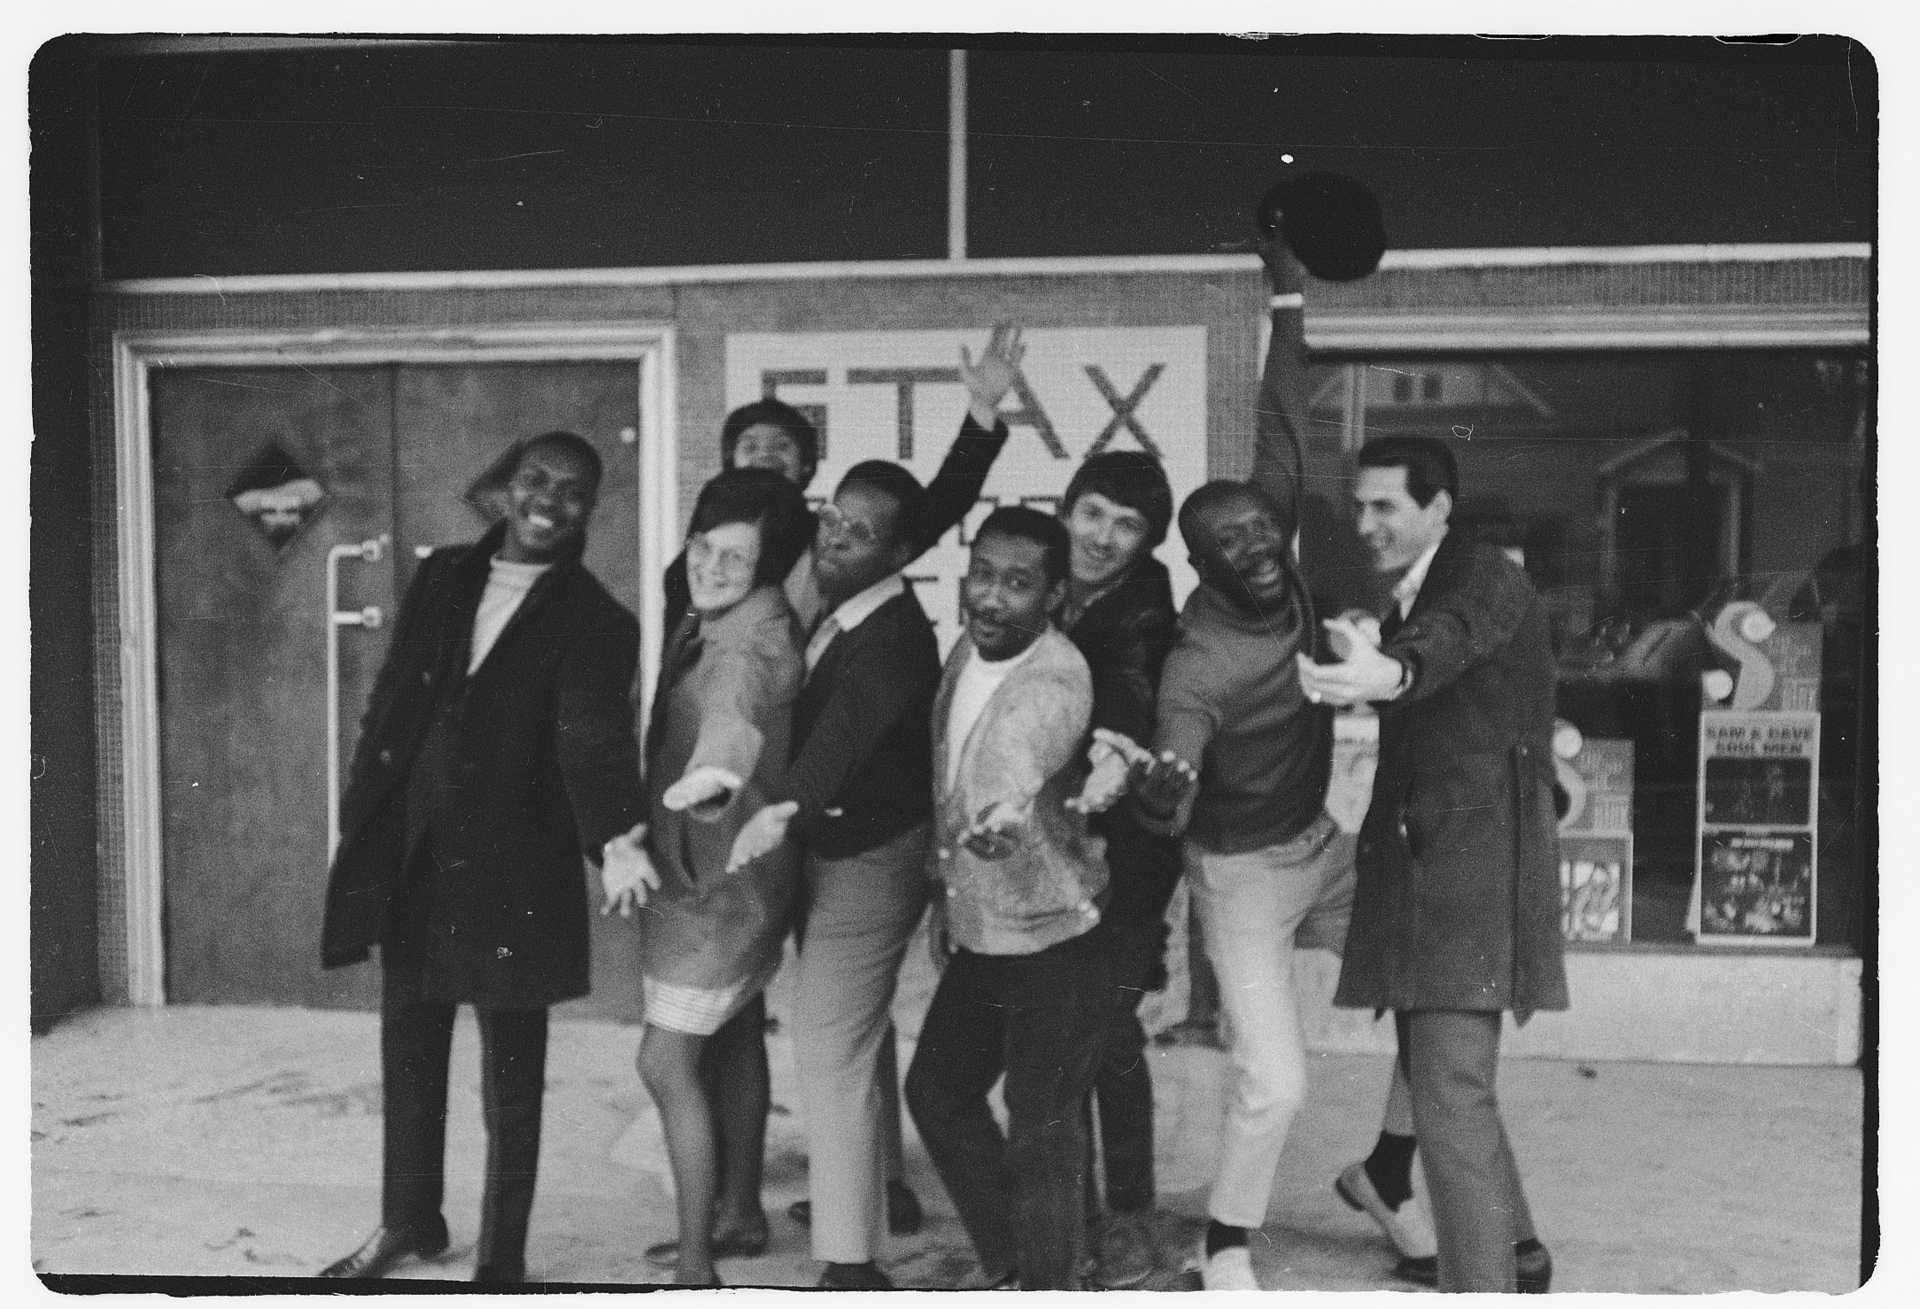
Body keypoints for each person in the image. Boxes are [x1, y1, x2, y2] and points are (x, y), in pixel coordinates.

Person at [722, 329, 1029, 1290]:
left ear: (900, 551)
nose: (836, 538)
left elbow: (844, 732)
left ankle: (850, 1266)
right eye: (832, 523)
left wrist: (780, 810)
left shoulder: (889, 628)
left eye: (860, 533)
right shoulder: (817, 580)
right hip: (833, 844)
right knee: (847, 1033)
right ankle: (872, 1203)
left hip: (862, 851)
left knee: (830, 1044)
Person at [317, 431, 644, 1283]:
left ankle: (499, 1266)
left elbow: (594, 738)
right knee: (410, 1053)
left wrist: (616, 836)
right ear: (504, 489)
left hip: (513, 880)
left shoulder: (598, 619)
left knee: (511, 1084)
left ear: (590, 509)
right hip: (416, 856)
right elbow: (391, 700)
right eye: (536, 479)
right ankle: (408, 1219)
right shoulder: (445, 575)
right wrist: (360, 815)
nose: (551, 499)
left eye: (575, 489)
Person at [1110, 477, 1424, 1291]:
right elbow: (1176, 746)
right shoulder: (1200, 665)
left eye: (1260, 527)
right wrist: (1164, 786)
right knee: (1277, 1082)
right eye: (1228, 540)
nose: (1253, 546)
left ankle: (1385, 1173)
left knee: (1448, 987)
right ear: (1200, 564)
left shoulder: (1298, 594)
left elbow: (1282, 431)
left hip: (1324, 847)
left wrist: (1291, 338)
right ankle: (1225, 1241)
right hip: (1243, 875)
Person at [1298, 434, 1568, 1293]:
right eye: (1360, 505)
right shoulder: (1420, 589)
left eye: (1387, 506)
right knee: (1446, 1083)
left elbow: (1448, 643)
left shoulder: (1479, 575)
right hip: (1433, 875)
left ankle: (1482, 1284)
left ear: (1439, 508)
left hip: (1469, 880)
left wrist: (1391, 666)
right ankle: (1518, 1256)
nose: (1366, 523)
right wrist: (1381, 651)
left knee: (1449, 1092)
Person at [602, 469, 816, 1287]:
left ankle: (697, 1268)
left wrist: (716, 775)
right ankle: (738, 1212)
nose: (712, 567)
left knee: (664, 1063)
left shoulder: (748, 641)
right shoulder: (724, 611)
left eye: (737, 557)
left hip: (721, 892)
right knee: (731, 1033)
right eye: (703, 546)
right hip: (725, 877)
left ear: (768, 568)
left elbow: (732, 716)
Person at [902, 506, 1113, 1291]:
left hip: (1051, 936)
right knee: (937, 1091)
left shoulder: (1055, 676)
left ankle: (1049, 1284)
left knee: (1043, 1129)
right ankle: (1024, 1262)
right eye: (983, 574)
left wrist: (1006, 807)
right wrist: (944, 893)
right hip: (984, 927)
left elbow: (1024, 745)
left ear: (1054, 595)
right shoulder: (968, 649)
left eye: (1018, 584)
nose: (991, 597)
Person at [661, 322, 1022, 637]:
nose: (765, 456)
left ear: (805, 467)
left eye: (781, 445)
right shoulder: (697, 555)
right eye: (750, 445)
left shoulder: (830, 537)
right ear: (729, 464)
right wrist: (693, 625)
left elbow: (941, 506)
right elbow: (681, 637)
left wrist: (982, 410)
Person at [1053, 452, 1182, 1288]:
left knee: (1094, 1031)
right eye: (1092, 512)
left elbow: (1129, 703)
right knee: (1094, 1031)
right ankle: (1101, 1210)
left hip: (1117, 850)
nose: (1103, 536)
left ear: (1150, 540)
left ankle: (1116, 1220)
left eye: (1127, 524)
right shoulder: (1053, 588)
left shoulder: (1137, 615)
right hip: (1054, 841)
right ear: (1065, 508)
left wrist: (1106, 774)